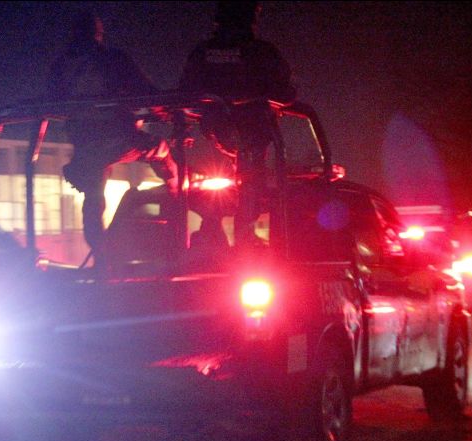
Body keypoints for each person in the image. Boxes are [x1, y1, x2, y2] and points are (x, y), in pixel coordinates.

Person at [47, 10, 178, 263]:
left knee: (93, 201)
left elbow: (54, 103)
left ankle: (103, 261)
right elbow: (147, 92)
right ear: (99, 34)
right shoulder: (112, 60)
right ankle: (178, 192)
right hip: (120, 139)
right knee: (160, 149)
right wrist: (167, 113)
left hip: (85, 147)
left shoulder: (61, 66)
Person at [179, 1, 297, 247]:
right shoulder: (262, 52)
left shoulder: (201, 53)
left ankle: (210, 232)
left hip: (212, 132)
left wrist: (186, 126)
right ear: (250, 18)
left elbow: (184, 93)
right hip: (253, 131)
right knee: (252, 181)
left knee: (214, 179)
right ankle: (244, 235)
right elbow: (286, 92)